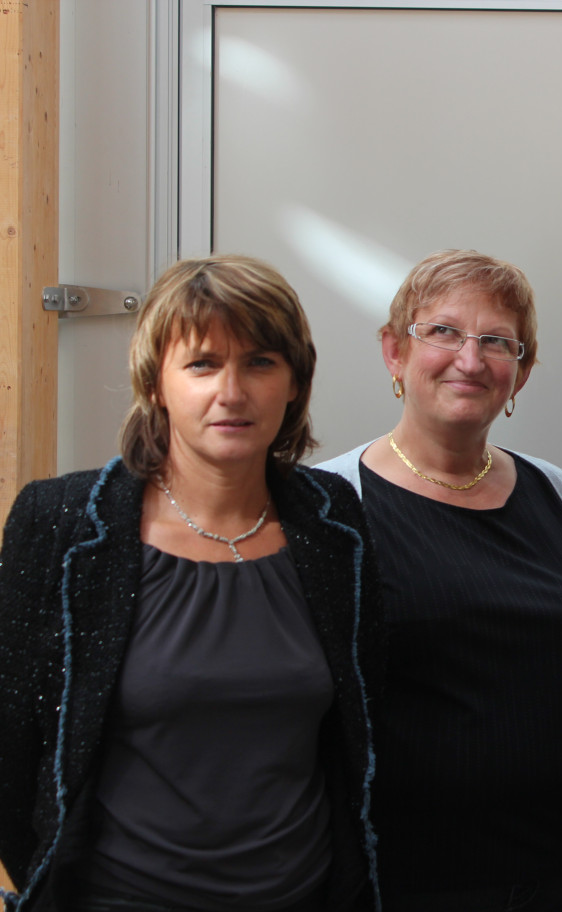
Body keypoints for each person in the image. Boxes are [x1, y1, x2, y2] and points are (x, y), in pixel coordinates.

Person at [0, 256, 383, 912]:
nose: (231, 392)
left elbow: (357, 738)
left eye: (261, 362)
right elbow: (12, 748)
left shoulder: (332, 520)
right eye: (202, 364)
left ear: (295, 382)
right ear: (156, 383)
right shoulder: (62, 522)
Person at [316, 249, 562, 912]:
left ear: (521, 372)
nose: (470, 357)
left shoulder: (558, 493)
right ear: (394, 352)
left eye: (496, 341)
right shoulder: (334, 507)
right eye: (444, 332)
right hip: (410, 885)